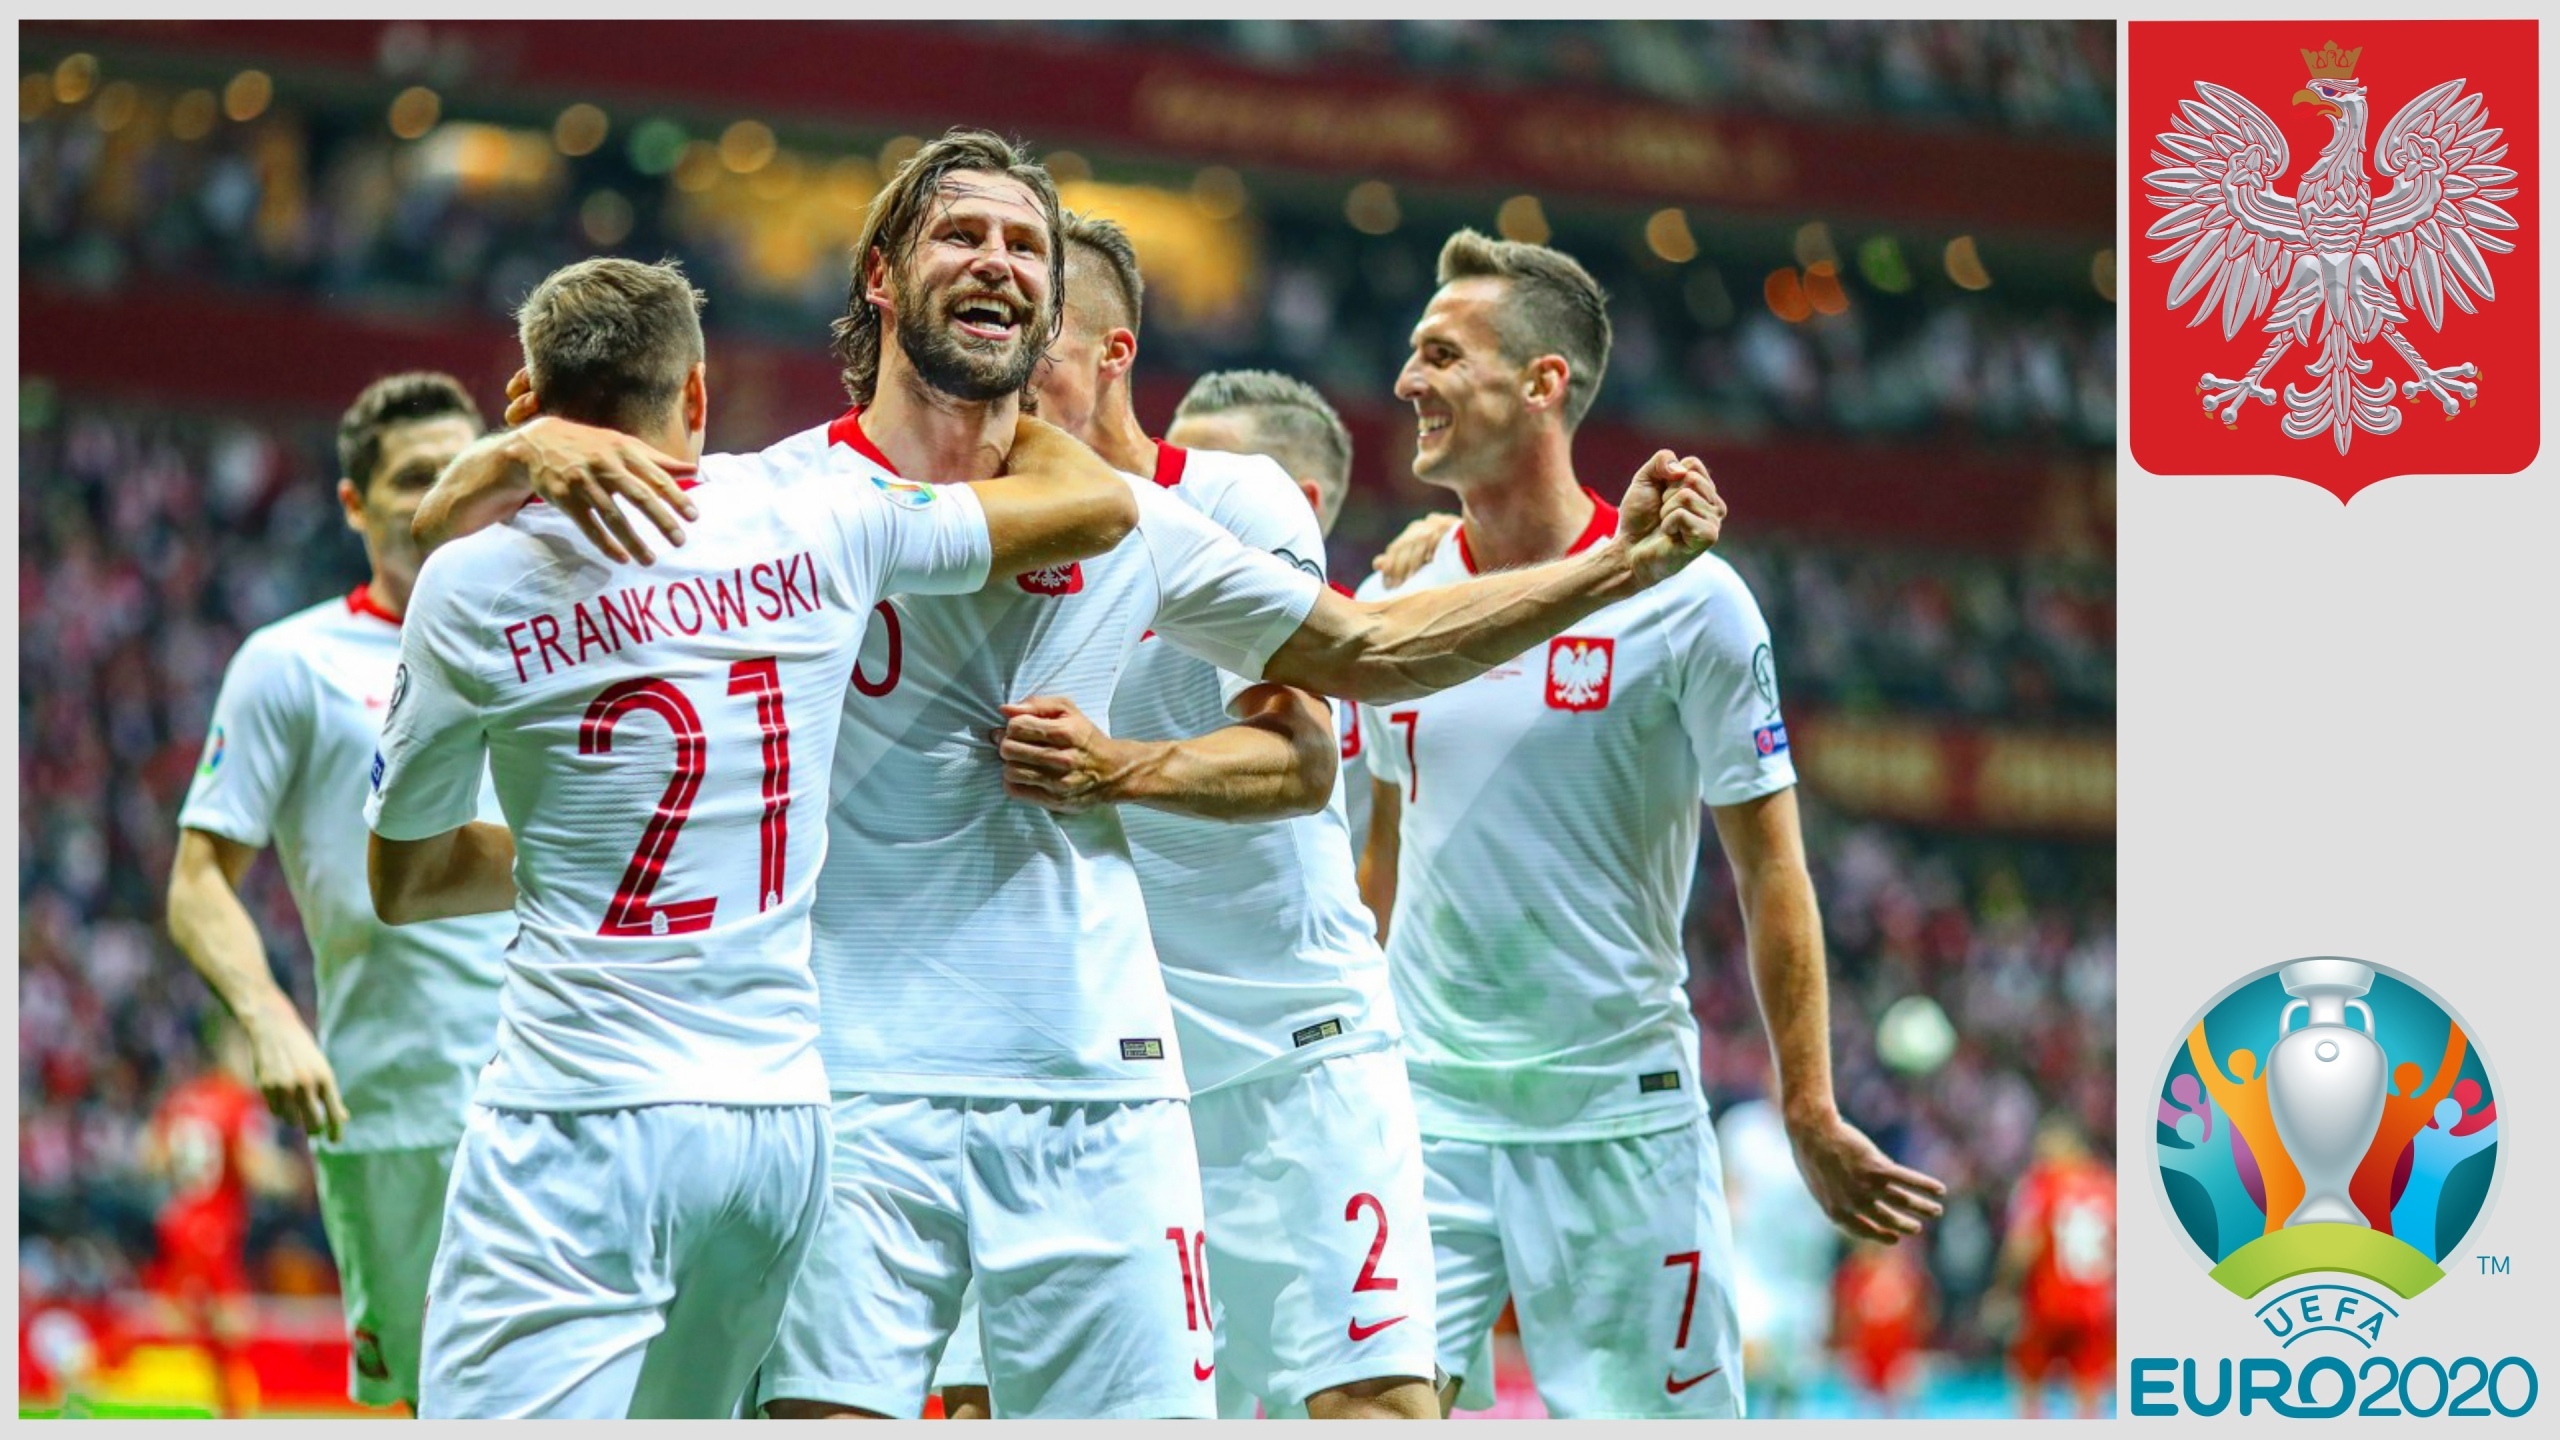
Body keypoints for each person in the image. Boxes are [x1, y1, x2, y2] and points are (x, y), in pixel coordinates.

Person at [413, 129, 1726, 1422]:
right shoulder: (778, 507)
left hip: (1102, 1088)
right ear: (880, 277)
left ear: (1052, 309)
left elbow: (1368, 649)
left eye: (1025, 245)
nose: (997, 260)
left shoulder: (1136, 523)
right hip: (851, 1091)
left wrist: (1615, 569)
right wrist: (517, 449)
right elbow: (505, 558)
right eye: (960, 234)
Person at [364, 255, 1138, 1418]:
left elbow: (409, 880)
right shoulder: (816, 518)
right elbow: (1097, 503)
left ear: (529, 403)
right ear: (696, 394)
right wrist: (1003, 378)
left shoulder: (471, 584)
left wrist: (585, 850)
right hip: (775, 1130)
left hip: (577, 1118)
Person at [1353, 229, 1945, 1418]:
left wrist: (1806, 1103)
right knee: (1364, 1409)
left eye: (1442, 353)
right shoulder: (1392, 601)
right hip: (1422, 1118)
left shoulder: (1691, 599)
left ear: (1542, 382)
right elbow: (1382, 863)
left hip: (1619, 1120)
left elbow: (1771, 871)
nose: (1408, 379)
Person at [931, 216, 1435, 1423]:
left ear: (1114, 355)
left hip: (1283, 1048)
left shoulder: (1228, 497)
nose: (1010, 379)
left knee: (1369, 1403)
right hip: (1080, 1057)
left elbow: (1303, 757)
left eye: (1041, 347)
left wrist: (1116, 769)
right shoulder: (965, 527)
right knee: (997, 1405)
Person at [166, 371, 515, 1413]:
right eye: (412, 478)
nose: (439, 497)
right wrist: (270, 1020)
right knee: (434, 1401)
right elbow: (197, 884)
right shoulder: (290, 663)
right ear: (355, 504)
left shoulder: (547, 636)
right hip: (398, 1108)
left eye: (458, 470)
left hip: (564, 1082)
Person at [140, 1022, 301, 1417]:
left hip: (177, 1223)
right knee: (231, 1332)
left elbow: (149, 1158)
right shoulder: (239, 1103)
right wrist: (298, 1176)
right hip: (213, 1232)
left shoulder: (183, 1098)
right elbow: (256, 1168)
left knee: (193, 1333)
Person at [1717, 1093, 1837, 1418]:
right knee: (1746, 1361)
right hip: (1751, 1270)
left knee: (1791, 1382)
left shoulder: (1832, 1130)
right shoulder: (1742, 1128)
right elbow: (1725, 1185)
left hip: (1805, 1280)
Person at [1987, 1116, 2114, 1419]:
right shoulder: (2107, 1185)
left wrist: (2003, 1288)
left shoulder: (2041, 1183)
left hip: (2048, 1302)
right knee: (2089, 1398)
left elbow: (2023, 1243)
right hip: (2095, 1306)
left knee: (2029, 1390)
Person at [1830, 1237, 1937, 1418]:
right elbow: (1844, 1319)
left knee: (1907, 1396)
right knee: (1862, 1403)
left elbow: (1922, 1317)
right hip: (1865, 1355)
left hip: (1898, 1356)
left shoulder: (1907, 1276)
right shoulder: (1853, 1277)